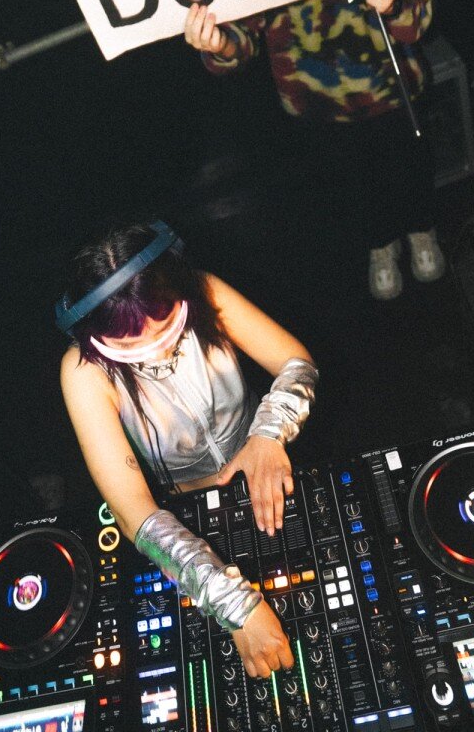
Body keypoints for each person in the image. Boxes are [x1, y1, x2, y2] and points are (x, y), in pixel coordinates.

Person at [57, 219, 318, 679]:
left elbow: (295, 362)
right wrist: (232, 605)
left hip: (271, 455)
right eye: (129, 345)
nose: (155, 352)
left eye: (167, 329)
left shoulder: (205, 291)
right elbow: (132, 510)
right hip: (188, 511)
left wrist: (268, 433)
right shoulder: (83, 371)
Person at [184, 0, 446, 300]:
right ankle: (380, 244)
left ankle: (421, 230)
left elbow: (418, 20)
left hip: (391, 91)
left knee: (409, 167)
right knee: (353, 185)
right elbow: (240, 40)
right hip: (316, 104)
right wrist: (218, 42)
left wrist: (395, 3)